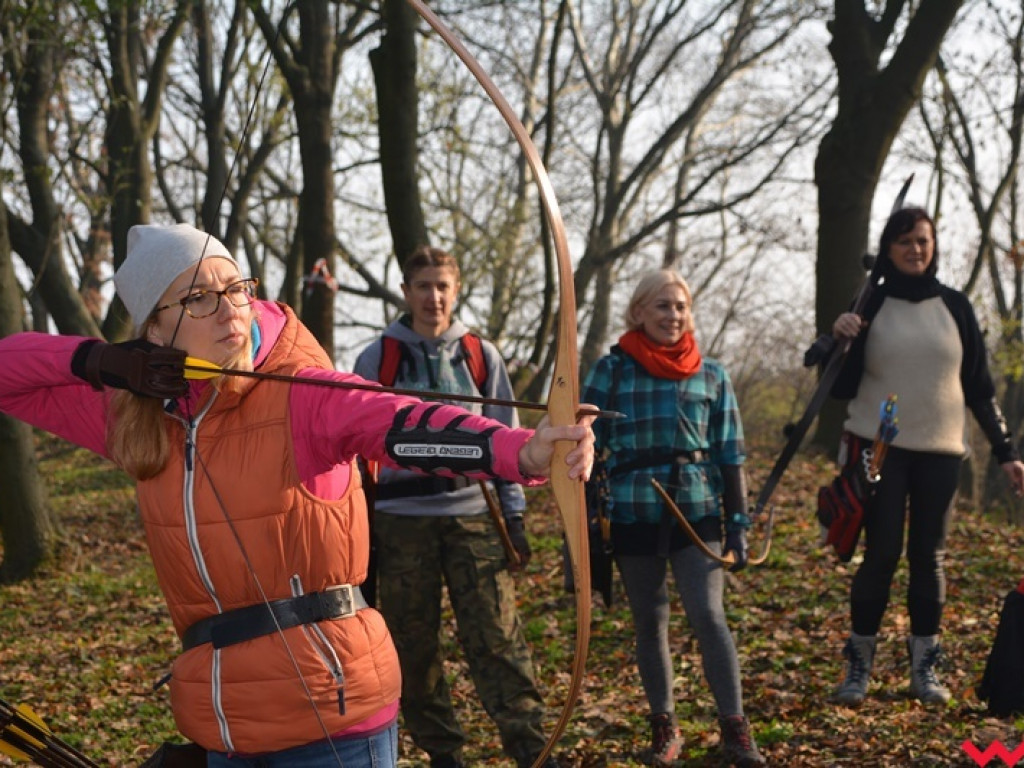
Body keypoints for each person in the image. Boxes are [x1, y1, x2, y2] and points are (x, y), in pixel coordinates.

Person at [0, 223, 596, 768]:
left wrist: (522, 452)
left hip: (333, 716)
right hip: (223, 725)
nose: (229, 308)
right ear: (154, 328)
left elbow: (398, 421)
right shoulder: (137, 416)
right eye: (197, 298)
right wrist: (99, 360)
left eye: (234, 288)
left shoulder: (302, 391)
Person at [353, 245, 556, 768]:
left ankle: (532, 749)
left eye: (443, 286)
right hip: (400, 526)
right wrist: (361, 533)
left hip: (472, 516)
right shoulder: (378, 359)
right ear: (405, 292)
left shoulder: (479, 355)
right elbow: (354, 447)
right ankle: (443, 753)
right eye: (423, 286)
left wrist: (513, 516)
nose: (433, 297)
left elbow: (513, 439)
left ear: (456, 290)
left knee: (498, 639)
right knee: (412, 651)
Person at [829, 206, 1024, 707]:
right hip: (881, 450)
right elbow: (839, 389)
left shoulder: (955, 307)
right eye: (905, 241)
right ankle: (858, 667)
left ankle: (925, 669)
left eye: (923, 240)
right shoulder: (869, 303)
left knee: (929, 558)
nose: (916, 248)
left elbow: (980, 388)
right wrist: (843, 340)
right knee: (882, 553)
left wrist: (1005, 452)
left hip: (941, 452)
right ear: (888, 248)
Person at [580, 269, 765, 768]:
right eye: (662, 306)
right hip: (632, 511)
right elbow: (579, 441)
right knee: (650, 619)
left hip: (698, 512)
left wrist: (739, 525)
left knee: (708, 615)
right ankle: (665, 726)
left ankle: (735, 727)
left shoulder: (712, 375)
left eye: (680, 306)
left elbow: (731, 455)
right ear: (638, 312)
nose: (673, 316)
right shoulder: (611, 371)